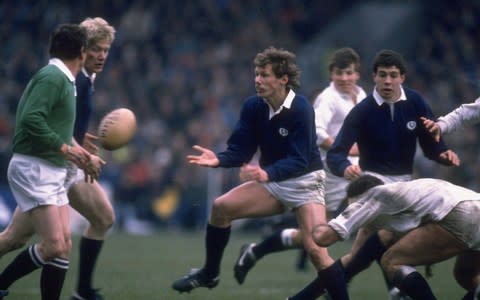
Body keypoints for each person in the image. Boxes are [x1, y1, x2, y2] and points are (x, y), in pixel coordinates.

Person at [171, 46, 350, 300]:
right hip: (273, 181)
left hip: (305, 183)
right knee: (220, 208)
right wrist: (218, 159)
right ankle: (209, 274)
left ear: (283, 79)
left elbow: (299, 160)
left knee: (317, 251)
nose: (258, 80)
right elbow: (240, 150)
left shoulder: (301, 108)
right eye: (256, 74)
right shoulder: (253, 106)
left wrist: (267, 174)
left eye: (265, 75)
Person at [0, 18, 116, 300]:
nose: (101, 55)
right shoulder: (62, 77)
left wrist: (76, 138)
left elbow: (58, 120)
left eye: (106, 49)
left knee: (28, 239)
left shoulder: (80, 78)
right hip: (48, 164)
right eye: (96, 49)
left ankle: (82, 290)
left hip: (57, 164)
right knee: (57, 241)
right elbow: (33, 120)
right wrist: (75, 150)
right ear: (81, 50)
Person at [233, 47, 366, 286]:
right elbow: (317, 134)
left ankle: (256, 251)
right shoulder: (328, 99)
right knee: (319, 238)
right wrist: (348, 150)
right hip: (330, 174)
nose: (344, 78)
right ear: (331, 74)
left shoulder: (362, 95)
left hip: (353, 173)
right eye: (339, 73)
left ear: (358, 74)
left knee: (353, 230)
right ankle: (347, 281)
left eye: (349, 73)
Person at [312, 175, 480, 300]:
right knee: (466, 276)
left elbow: (324, 239)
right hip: (473, 205)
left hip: (461, 214)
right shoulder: (402, 195)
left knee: (391, 261)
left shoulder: (373, 196)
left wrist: (316, 223)